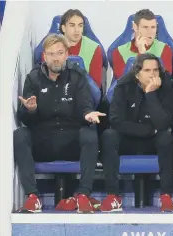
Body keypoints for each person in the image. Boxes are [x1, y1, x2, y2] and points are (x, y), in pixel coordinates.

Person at [14, 34, 106, 213]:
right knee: (20, 134)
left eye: (60, 53)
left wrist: (88, 114)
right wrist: (30, 110)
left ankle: (83, 194)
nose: (56, 58)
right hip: (44, 140)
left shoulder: (77, 76)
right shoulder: (33, 78)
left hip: (71, 140)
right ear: (44, 57)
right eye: (51, 54)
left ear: (66, 54)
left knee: (89, 133)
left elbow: (85, 104)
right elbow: (25, 118)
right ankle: (32, 197)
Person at [104, 53, 173, 212]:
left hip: (155, 141)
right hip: (129, 139)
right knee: (109, 136)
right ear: (137, 74)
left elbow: (164, 123)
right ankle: (113, 196)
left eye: (156, 70)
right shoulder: (123, 85)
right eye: (147, 70)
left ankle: (166, 196)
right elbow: (116, 121)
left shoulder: (168, 86)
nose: (153, 74)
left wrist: (150, 94)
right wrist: (149, 130)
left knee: (166, 138)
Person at [40, 9, 104, 88]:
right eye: (72, 25)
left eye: (80, 25)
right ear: (63, 28)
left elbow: (95, 85)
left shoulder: (94, 48)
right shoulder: (50, 47)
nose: (77, 30)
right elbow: (45, 79)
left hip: (84, 93)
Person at [112, 9, 173, 80]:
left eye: (153, 27)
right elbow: (124, 83)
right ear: (135, 27)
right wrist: (141, 55)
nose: (150, 32)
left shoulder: (164, 49)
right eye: (145, 27)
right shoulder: (119, 52)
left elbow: (165, 80)